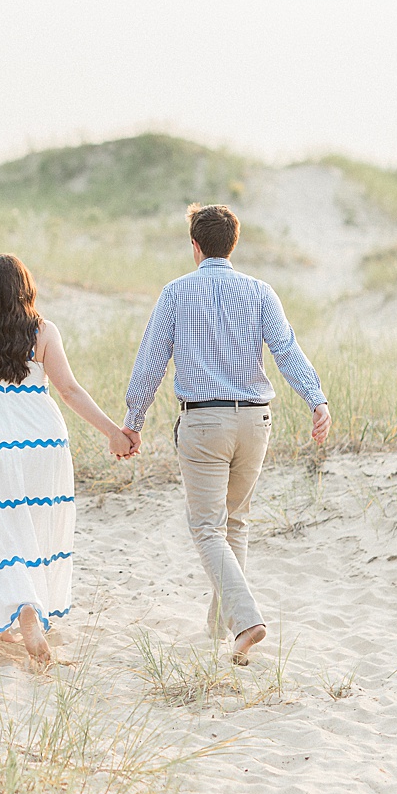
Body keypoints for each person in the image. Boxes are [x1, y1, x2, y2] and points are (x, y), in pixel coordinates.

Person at [123, 203, 329, 665]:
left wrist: (132, 422)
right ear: (232, 244)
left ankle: (247, 619)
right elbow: (286, 350)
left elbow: (151, 362)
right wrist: (317, 399)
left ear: (195, 247)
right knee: (233, 522)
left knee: (206, 528)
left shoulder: (176, 293)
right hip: (255, 422)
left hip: (203, 423)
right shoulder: (260, 291)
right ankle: (221, 630)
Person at [0, 254, 133, 667]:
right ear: (24, 290)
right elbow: (69, 390)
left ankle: (24, 609)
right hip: (43, 441)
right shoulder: (44, 331)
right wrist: (113, 433)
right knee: (36, 523)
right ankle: (30, 608)